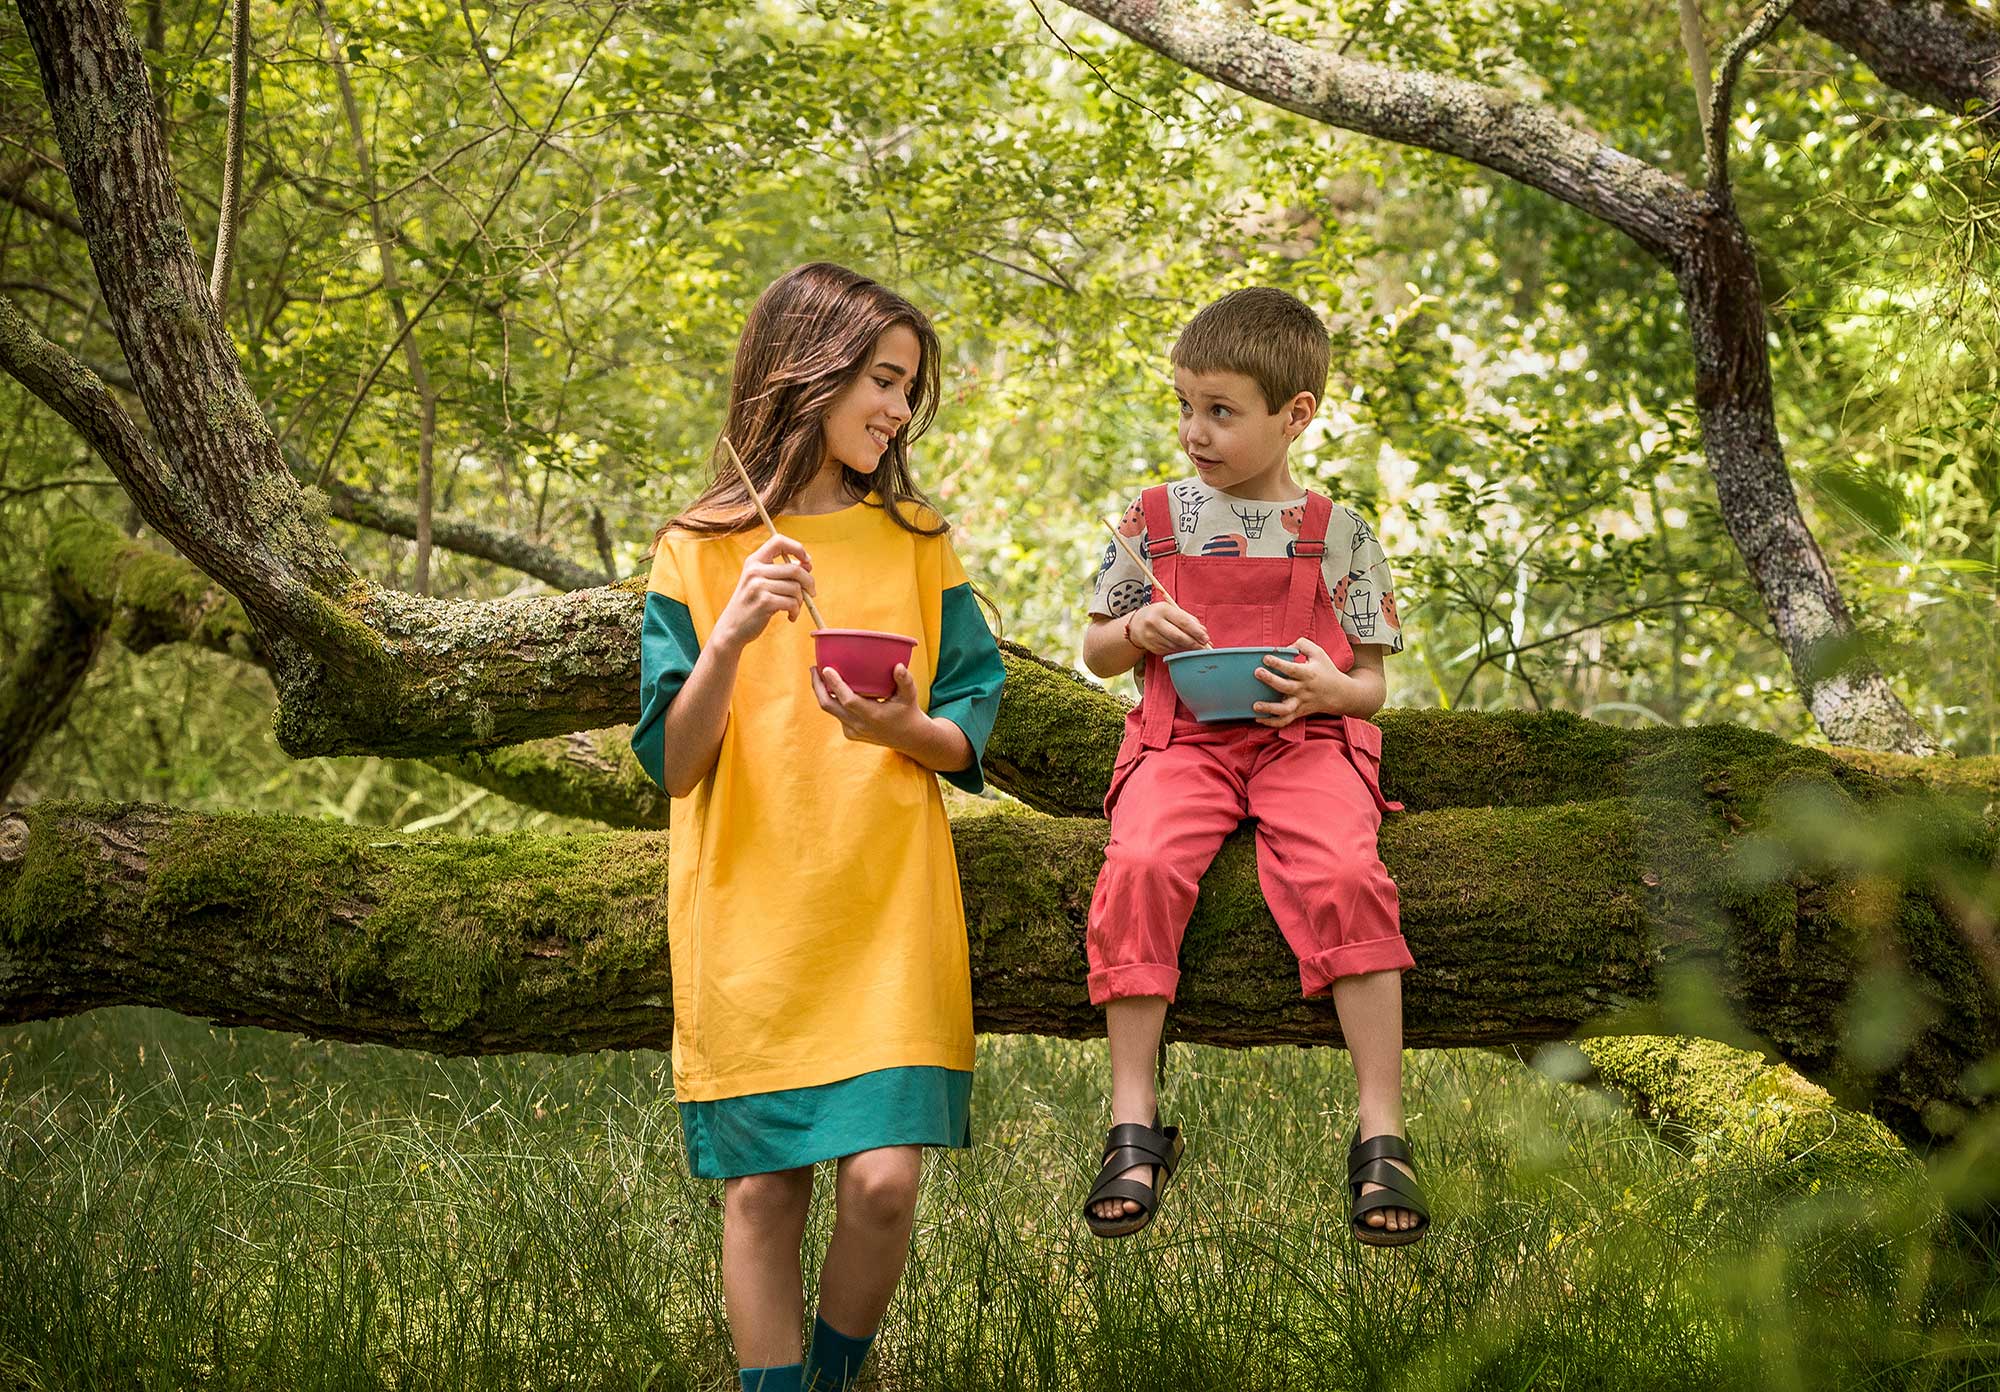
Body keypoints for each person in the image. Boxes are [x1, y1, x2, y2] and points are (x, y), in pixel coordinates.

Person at [631, 263, 1006, 1390]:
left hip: (888, 905)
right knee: (762, 1193)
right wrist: (733, 633)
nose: (897, 410)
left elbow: (970, 722)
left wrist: (901, 726)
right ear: (810, 369)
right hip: (752, 914)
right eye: (883, 382)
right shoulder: (695, 548)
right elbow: (671, 760)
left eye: (908, 390)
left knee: (884, 1185)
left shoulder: (914, 539)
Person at [1078, 286, 1428, 1247]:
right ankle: (1133, 1120)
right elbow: (1098, 652)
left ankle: (1381, 1127)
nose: (1196, 430)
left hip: (1304, 744)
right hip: (1179, 745)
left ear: (1295, 415)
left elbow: (1373, 687)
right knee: (1140, 865)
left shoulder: (1343, 534)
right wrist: (1135, 628)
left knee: (1349, 873)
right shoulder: (1149, 520)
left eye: (1221, 411)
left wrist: (1329, 690)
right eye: (1186, 406)